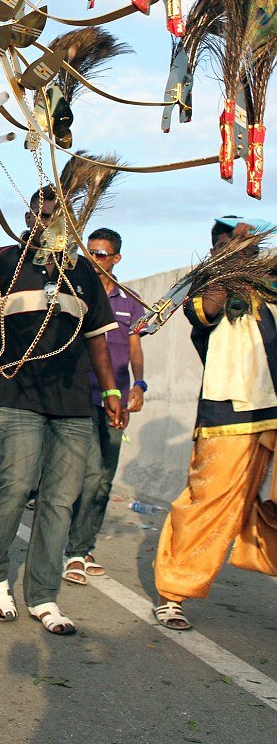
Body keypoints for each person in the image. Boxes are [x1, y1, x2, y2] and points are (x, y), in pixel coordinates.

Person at [0, 187, 125, 635]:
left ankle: (44, 595)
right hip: (18, 396)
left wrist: (110, 392)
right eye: (42, 213)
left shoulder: (82, 271)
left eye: (58, 215)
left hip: (72, 406)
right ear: (29, 215)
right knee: (13, 488)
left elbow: (98, 339)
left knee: (60, 501)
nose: (49, 221)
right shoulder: (0, 264)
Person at [153, 218, 277, 630]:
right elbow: (205, 311)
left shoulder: (270, 282)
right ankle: (174, 593)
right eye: (231, 245)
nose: (244, 250)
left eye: (250, 246)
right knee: (208, 504)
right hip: (231, 415)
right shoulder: (209, 286)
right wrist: (228, 261)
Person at [64, 228, 147, 584]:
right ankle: (75, 550)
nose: (95, 260)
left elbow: (134, 347)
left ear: (116, 258)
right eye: (91, 253)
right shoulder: (77, 295)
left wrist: (139, 384)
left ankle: (82, 544)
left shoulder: (130, 301)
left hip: (115, 402)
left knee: (103, 480)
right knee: (87, 475)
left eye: (102, 254)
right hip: (80, 396)